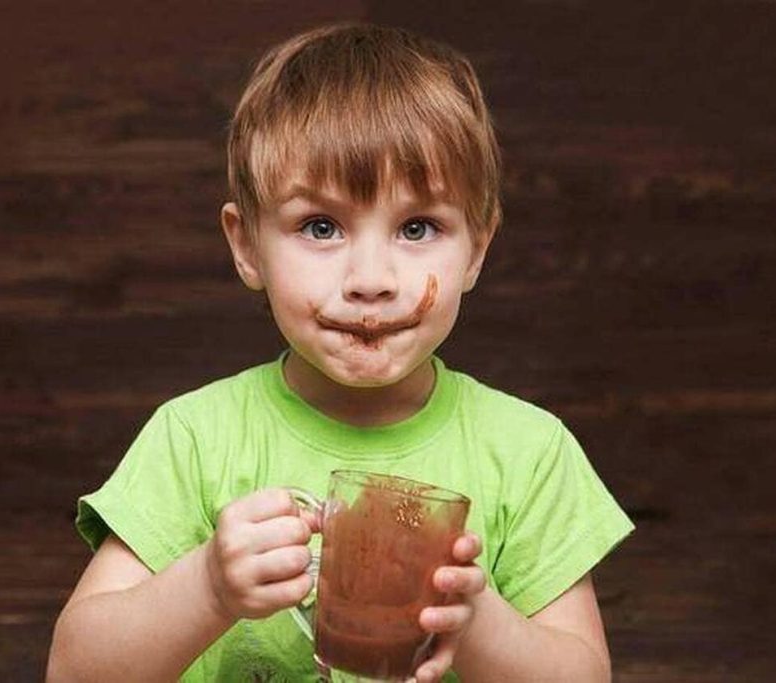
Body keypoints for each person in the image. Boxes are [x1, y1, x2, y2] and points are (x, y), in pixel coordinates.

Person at [47, 22, 633, 683]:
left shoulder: (529, 450)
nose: (371, 278)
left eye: (418, 227)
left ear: (478, 247)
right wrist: (207, 587)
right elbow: (75, 669)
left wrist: (478, 623)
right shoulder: (194, 437)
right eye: (320, 226)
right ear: (246, 246)